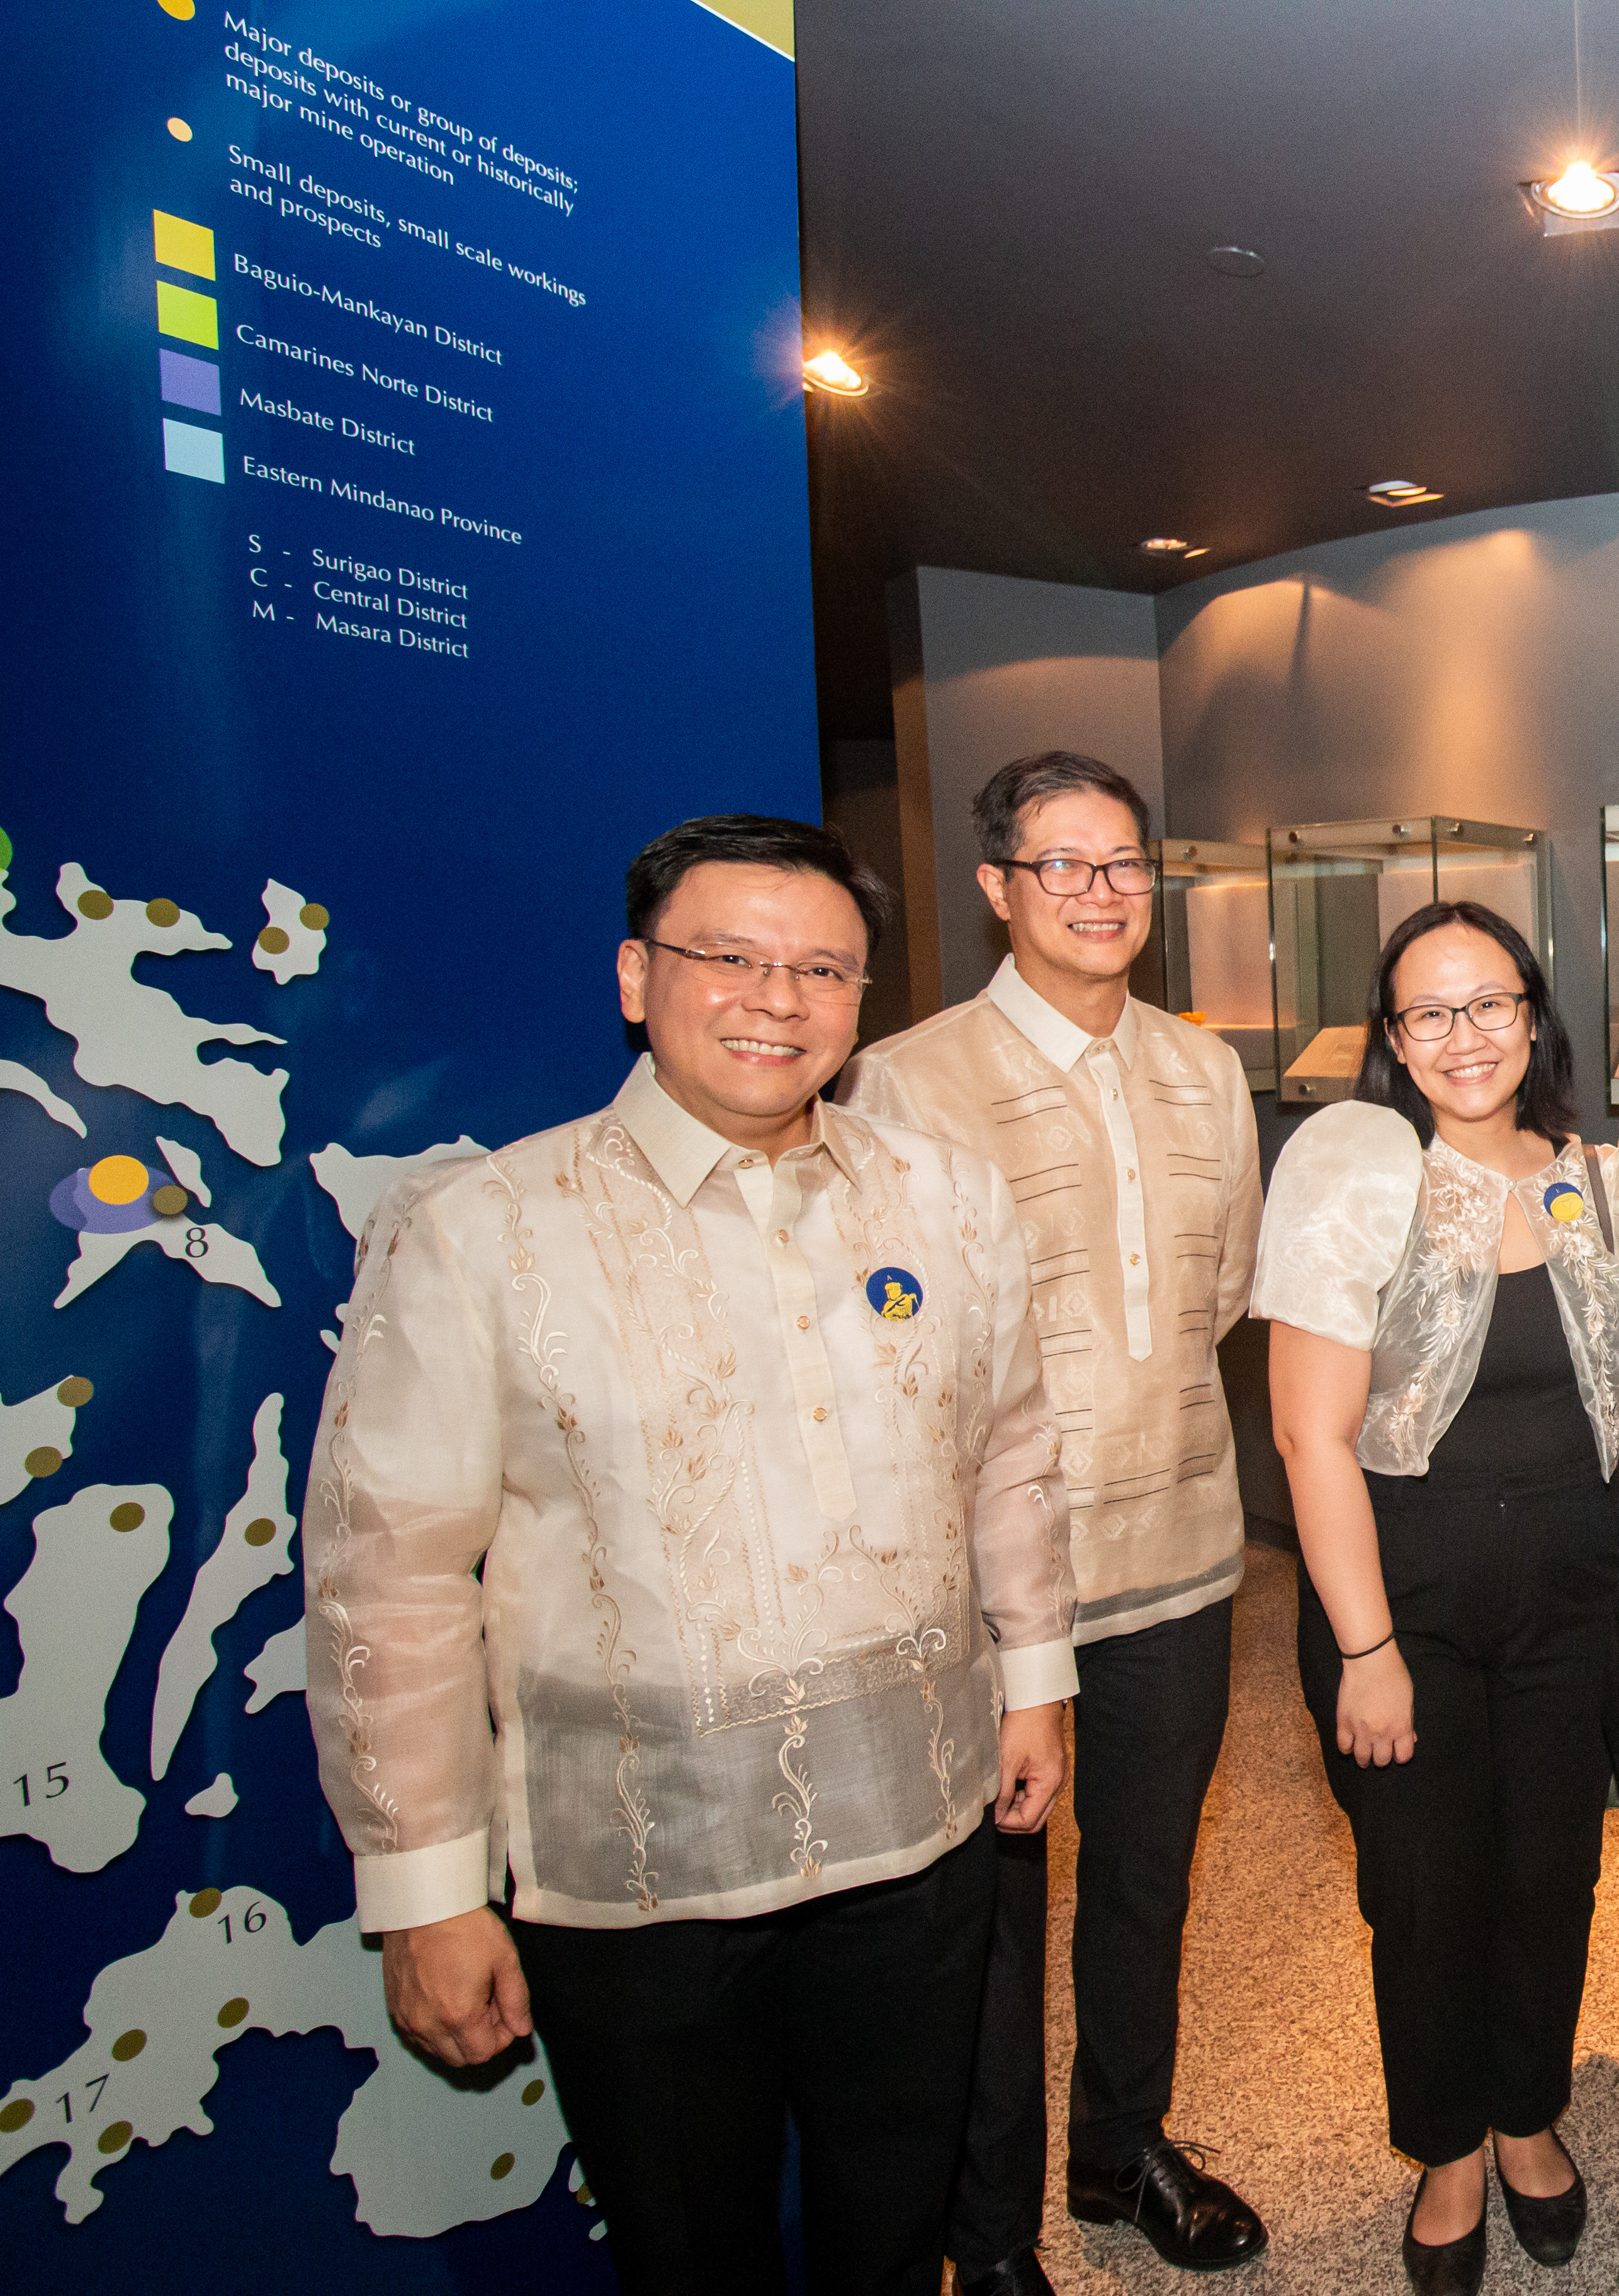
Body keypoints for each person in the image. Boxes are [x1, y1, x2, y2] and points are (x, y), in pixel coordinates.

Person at [302, 815, 1077, 2296]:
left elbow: (1012, 1454)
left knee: (893, 2219)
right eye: (731, 957)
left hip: (918, 1832)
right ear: (634, 977)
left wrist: (1033, 1681)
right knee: (688, 2247)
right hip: (643, 1873)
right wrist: (427, 1891)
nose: (778, 999)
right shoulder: (482, 1231)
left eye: (824, 971)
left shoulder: (948, 1200)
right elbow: (387, 1577)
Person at [838, 751, 1266, 2289]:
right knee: (995, 1914)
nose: (1100, 895)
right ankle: (995, 2227)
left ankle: (1120, 2148)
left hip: (1182, 1555)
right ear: (997, 886)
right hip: (992, 1583)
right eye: (1062, 866)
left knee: (1148, 1877)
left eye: (1125, 864)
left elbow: (1215, 1299)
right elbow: (898, 1353)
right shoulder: (907, 1079)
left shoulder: (1204, 1070)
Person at [1253, 898, 1619, 2295]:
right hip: (1400, 1591)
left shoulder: (1601, 1175)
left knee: (1551, 1874)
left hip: (1573, 1592)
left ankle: (1529, 2116)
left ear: (1535, 1017)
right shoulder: (1357, 1175)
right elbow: (1311, 1435)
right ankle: (1448, 2148)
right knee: (1424, 1892)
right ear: (1393, 1039)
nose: (1464, 1036)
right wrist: (1364, 1647)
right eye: (1430, 1012)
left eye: (1491, 1004)